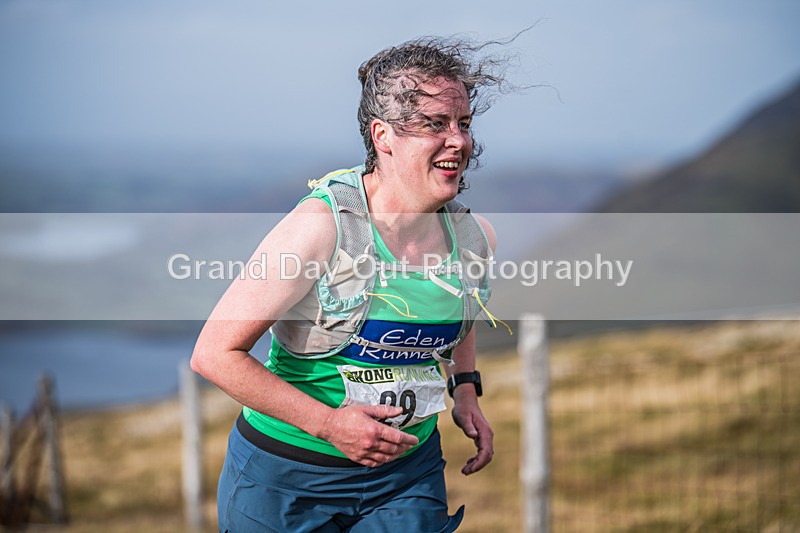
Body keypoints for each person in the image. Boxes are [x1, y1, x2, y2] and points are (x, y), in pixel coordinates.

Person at [192, 36, 510, 532]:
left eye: (463, 123)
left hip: (407, 474)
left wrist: (465, 390)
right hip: (288, 479)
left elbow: (456, 311)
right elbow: (214, 354)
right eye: (434, 124)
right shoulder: (320, 229)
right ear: (383, 136)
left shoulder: (474, 237)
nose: (459, 141)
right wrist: (329, 425)